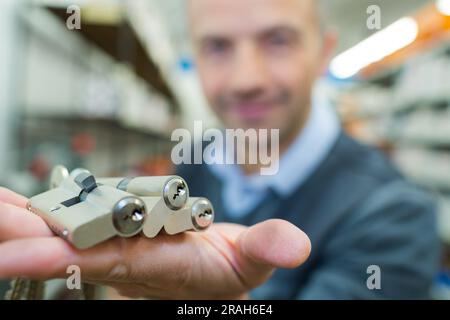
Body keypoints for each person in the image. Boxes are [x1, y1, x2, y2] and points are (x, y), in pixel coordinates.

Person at [0, 0, 440, 299]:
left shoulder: (396, 214)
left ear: (322, 52)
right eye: (218, 46)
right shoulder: (195, 157)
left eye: (278, 40)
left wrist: (230, 298)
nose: (246, 78)